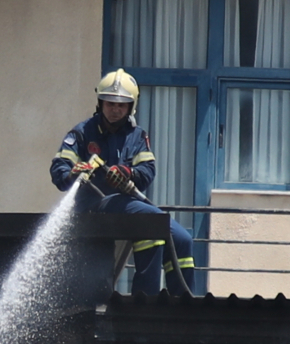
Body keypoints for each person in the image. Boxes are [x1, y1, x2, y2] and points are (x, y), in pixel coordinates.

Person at [50, 68, 195, 296]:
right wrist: (74, 174)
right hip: (93, 206)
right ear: (101, 103)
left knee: (183, 239)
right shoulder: (82, 133)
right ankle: (145, 299)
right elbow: (59, 168)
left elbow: (147, 171)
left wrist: (128, 172)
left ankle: (183, 302)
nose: (115, 109)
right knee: (151, 222)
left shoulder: (137, 136)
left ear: (131, 106)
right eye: (110, 104)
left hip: (126, 204)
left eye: (121, 105)